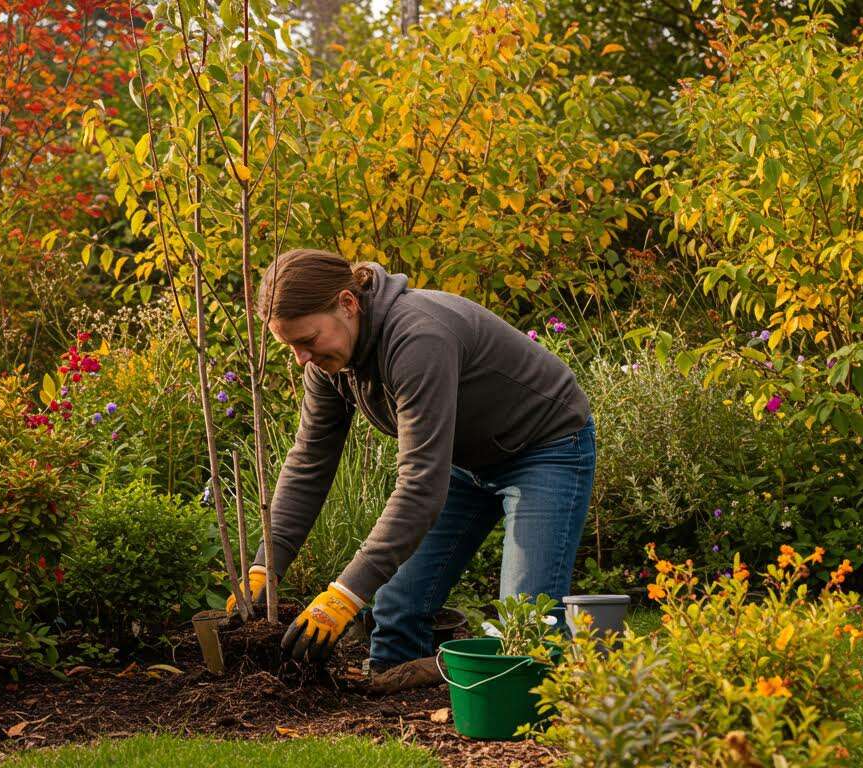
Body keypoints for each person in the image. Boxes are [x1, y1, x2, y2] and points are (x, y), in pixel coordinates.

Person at [225, 249, 595, 694]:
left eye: (308, 340)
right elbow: (309, 462)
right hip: (464, 461)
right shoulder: (328, 364)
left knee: (526, 621)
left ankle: (544, 701)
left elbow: (420, 485)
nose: (301, 358)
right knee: (396, 613)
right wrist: (265, 567)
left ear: (348, 303)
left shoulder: (419, 337)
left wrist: (344, 594)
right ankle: (403, 710)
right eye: (290, 346)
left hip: (545, 448)